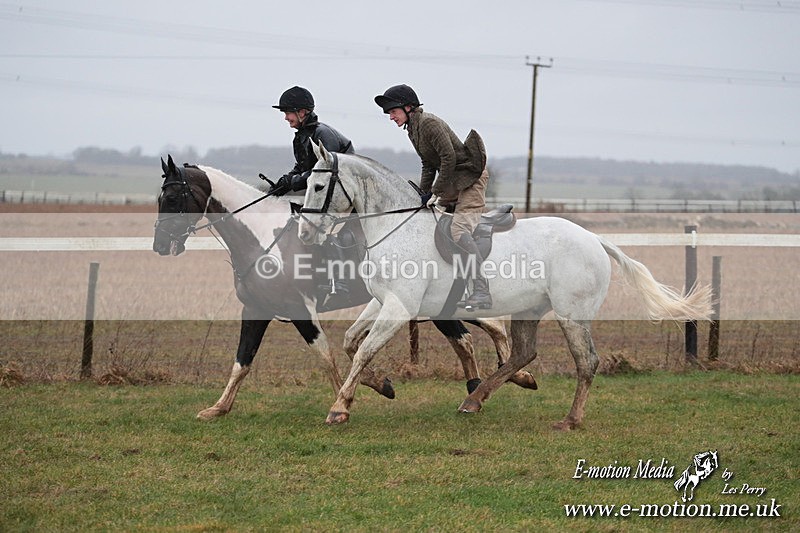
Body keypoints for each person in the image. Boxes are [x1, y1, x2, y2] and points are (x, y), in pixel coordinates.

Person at [374, 84, 492, 310]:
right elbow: (428, 163)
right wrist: (423, 193)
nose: (390, 117)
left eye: (393, 111)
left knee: (459, 230)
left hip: (470, 178)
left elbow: (448, 158)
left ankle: (481, 289)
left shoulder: (428, 123)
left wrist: (436, 192)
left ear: (408, 107)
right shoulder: (413, 129)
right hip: (453, 179)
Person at [269, 86, 355, 308]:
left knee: (326, 230)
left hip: (343, 192)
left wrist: (294, 181)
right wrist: (284, 183)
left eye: (288, 112)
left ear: (302, 112)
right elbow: (301, 169)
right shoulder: (301, 137)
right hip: (323, 193)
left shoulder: (322, 134)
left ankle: (340, 284)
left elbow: (324, 172)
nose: (286, 118)